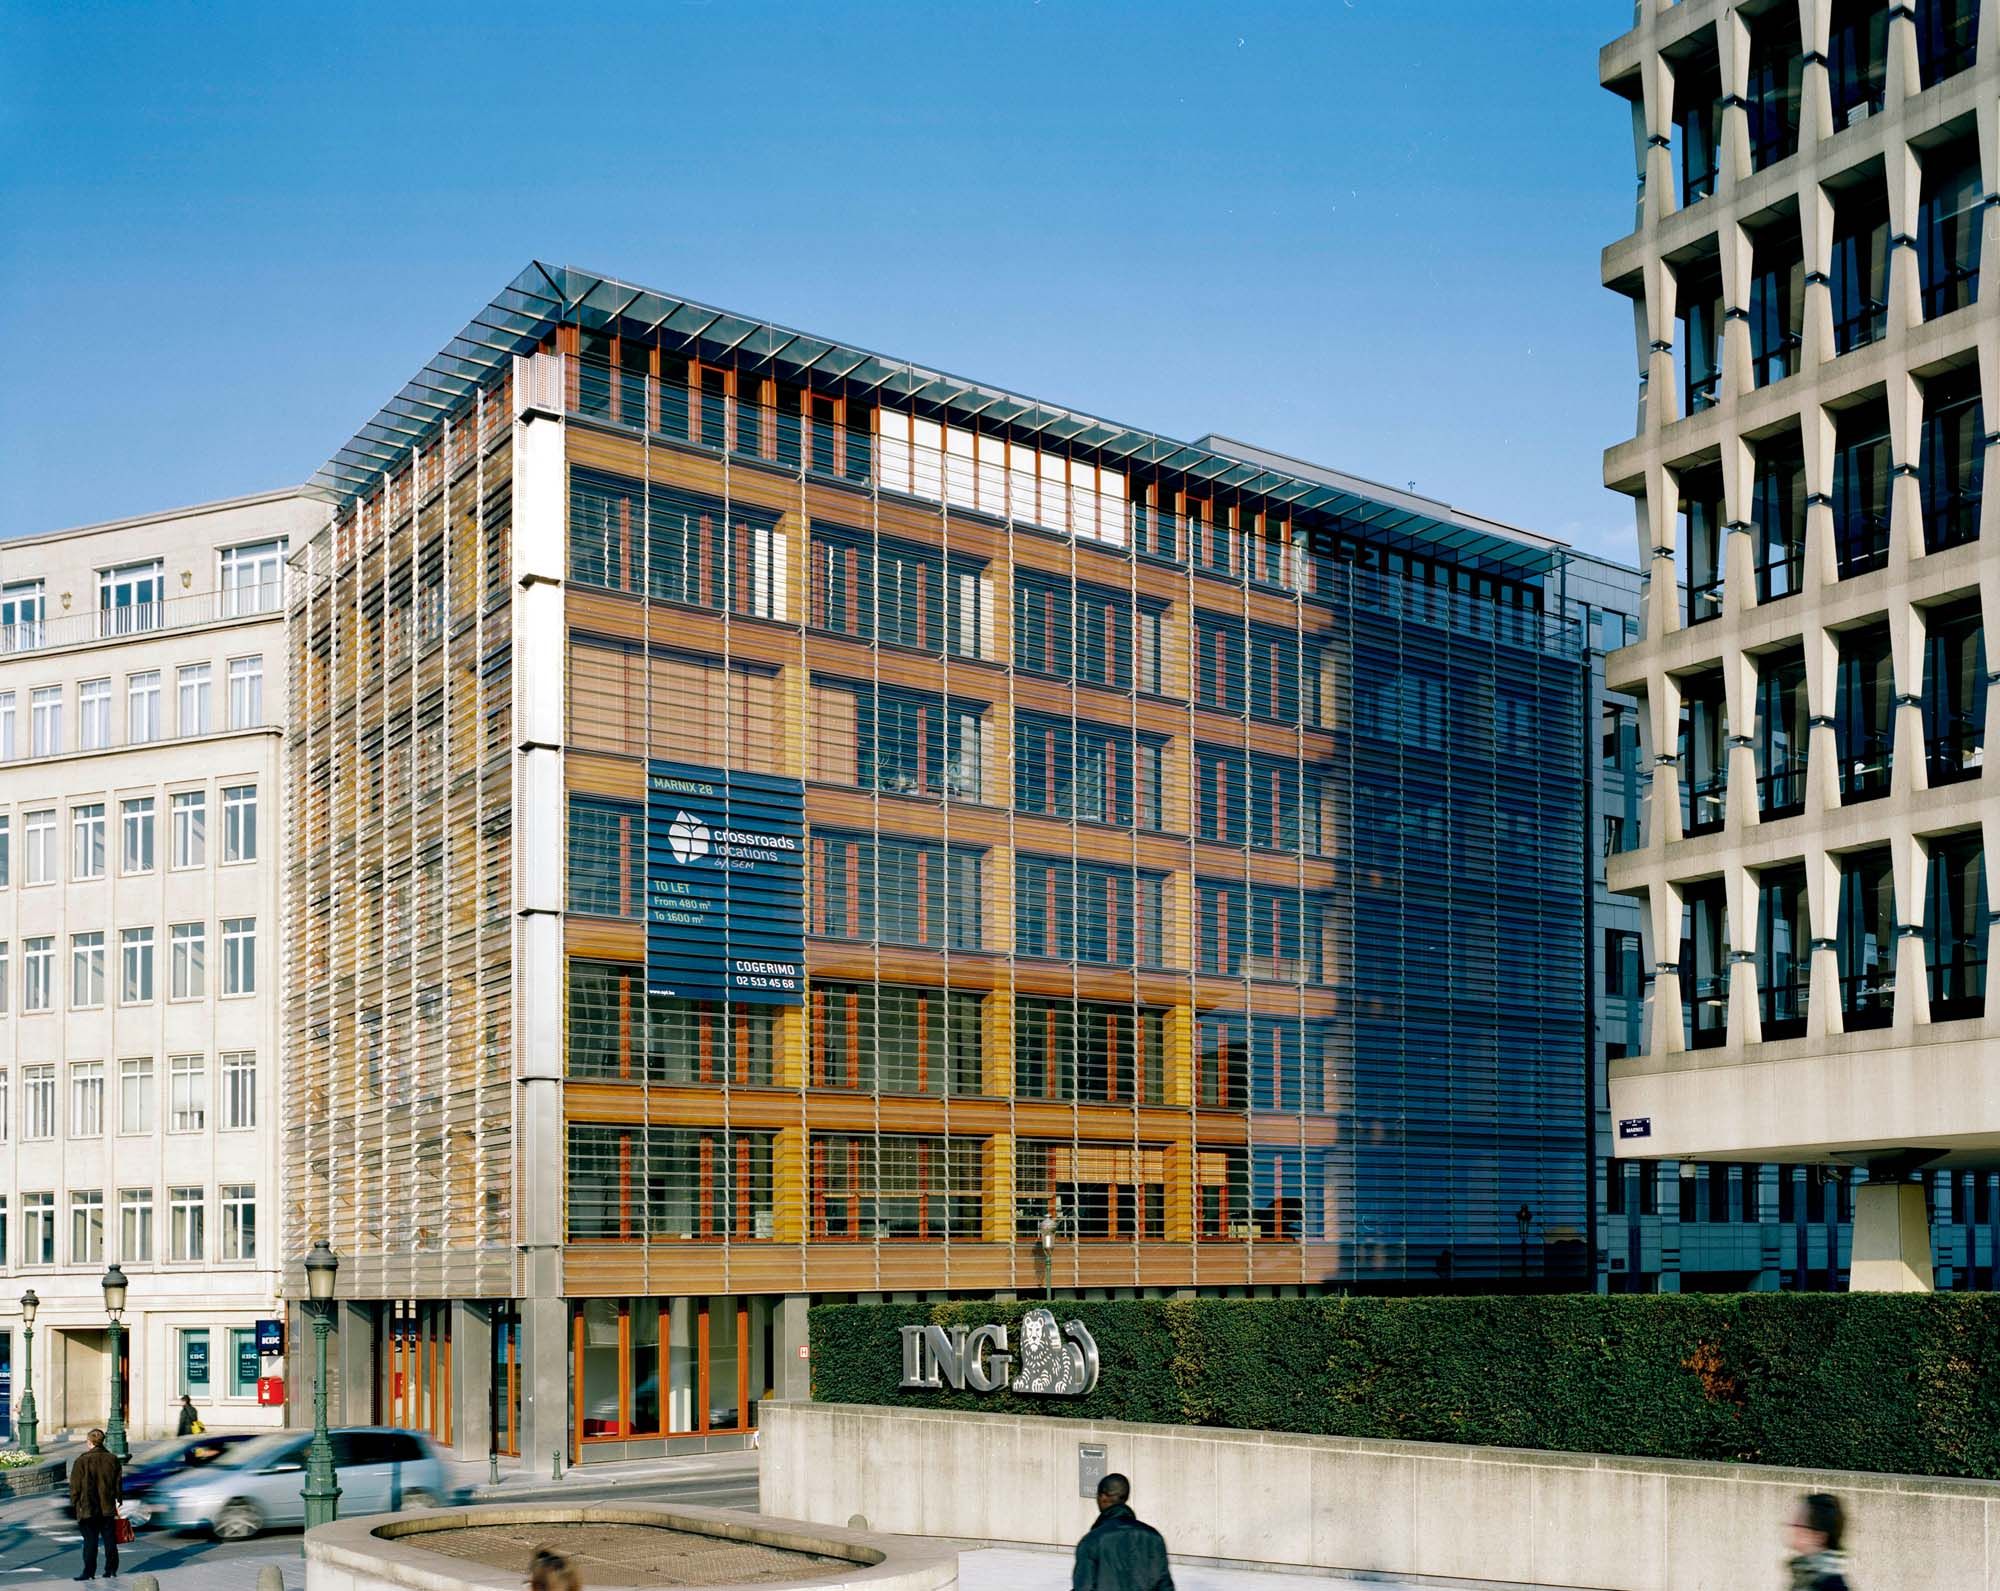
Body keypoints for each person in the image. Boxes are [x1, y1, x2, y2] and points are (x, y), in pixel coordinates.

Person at [1072, 1472, 1173, 1591]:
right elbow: (1165, 1586)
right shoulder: (1154, 1538)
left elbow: (1084, 1587)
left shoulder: (1091, 1541)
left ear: (1103, 1497)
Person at [68, 1428, 123, 1582]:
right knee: (110, 1540)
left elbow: (75, 1486)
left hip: (88, 1507)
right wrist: (119, 1499)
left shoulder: (82, 1461)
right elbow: (118, 1483)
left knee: (90, 1541)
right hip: (107, 1506)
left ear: (89, 1442)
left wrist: (74, 1503)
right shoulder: (112, 1459)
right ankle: (111, 1570)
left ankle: (89, 1572)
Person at [1785, 1493, 1852, 1590]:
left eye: (1799, 1521)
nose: (1792, 1526)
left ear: (1819, 1536)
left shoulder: (1830, 1586)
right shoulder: (1805, 1577)